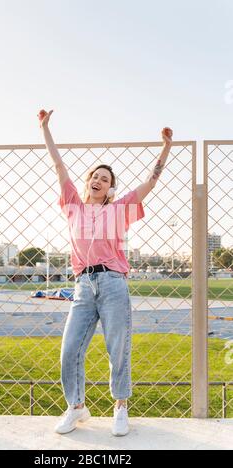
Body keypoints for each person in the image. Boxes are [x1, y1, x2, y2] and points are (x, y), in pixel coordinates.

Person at [38, 109, 173, 436]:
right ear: (87, 183)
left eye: (105, 178)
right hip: (83, 286)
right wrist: (45, 128)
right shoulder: (72, 205)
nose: (98, 180)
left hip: (113, 283)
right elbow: (58, 166)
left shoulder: (119, 209)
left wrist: (165, 147)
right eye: (94, 176)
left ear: (111, 189)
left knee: (118, 348)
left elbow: (151, 182)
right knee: (70, 349)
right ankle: (76, 406)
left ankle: (120, 407)